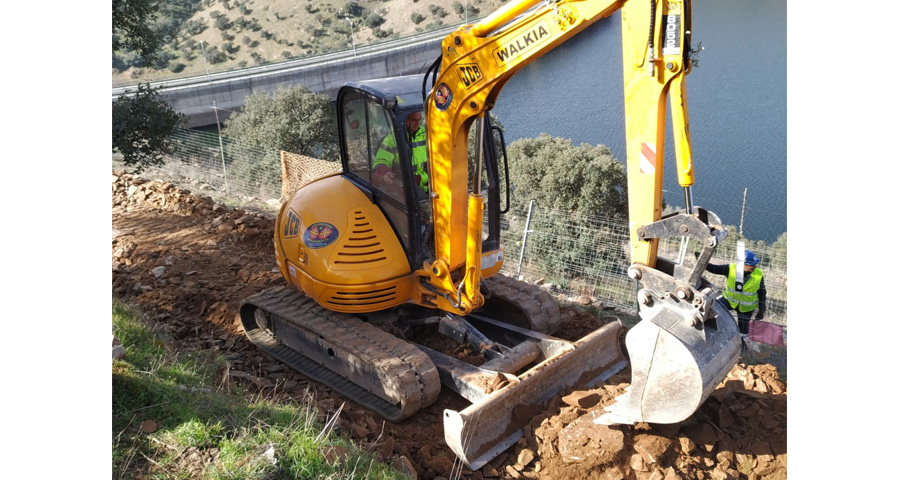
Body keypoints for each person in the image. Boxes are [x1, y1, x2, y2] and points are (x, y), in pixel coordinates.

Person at [706, 250, 767, 350]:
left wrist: (761, 309)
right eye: (752, 265)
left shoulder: (758, 275)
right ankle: (713, 341)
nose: (755, 267)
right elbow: (714, 269)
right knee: (713, 311)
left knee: (743, 332)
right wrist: (703, 260)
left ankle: (742, 350)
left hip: (747, 307)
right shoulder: (730, 269)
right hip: (729, 301)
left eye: (755, 265)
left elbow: (762, 292)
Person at [372, 111, 429, 193]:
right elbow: (380, 161)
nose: (417, 123)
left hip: (429, 182)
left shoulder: (427, 134)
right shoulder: (392, 140)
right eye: (414, 120)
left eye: (419, 119)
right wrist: (385, 172)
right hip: (406, 185)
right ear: (405, 119)